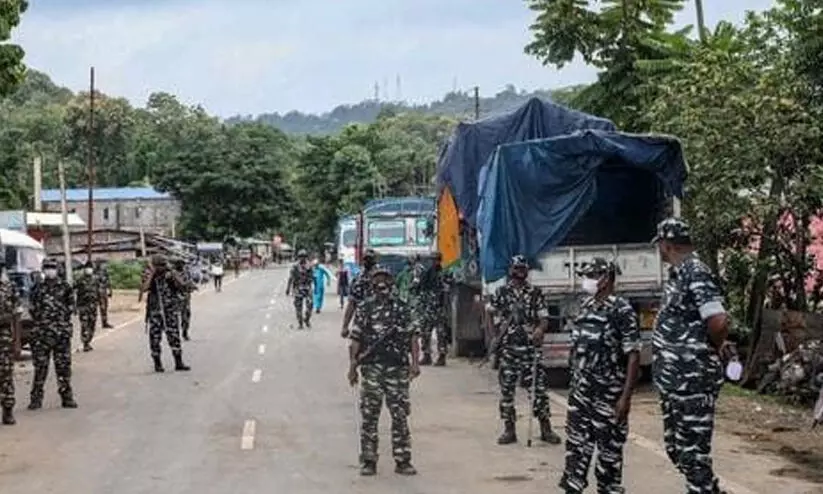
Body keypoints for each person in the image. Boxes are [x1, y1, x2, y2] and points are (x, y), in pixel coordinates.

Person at [652, 217, 732, 494]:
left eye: (660, 244)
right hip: (675, 382)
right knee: (678, 450)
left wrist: (709, 349)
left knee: (693, 455)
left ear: (667, 244)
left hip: (692, 381)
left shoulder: (696, 272)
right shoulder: (678, 274)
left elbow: (718, 321)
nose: (659, 250)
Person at [559, 258, 641, 494]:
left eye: (591, 276)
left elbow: (633, 355)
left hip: (609, 396)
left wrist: (625, 398)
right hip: (580, 395)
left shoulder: (621, 310)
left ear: (605, 279)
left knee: (609, 459)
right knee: (575, 453)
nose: (586, 281)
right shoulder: (584, 306)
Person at [347, 265, 420, 476]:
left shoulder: (402, 308)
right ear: (372, 283)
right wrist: (352, 366)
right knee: (370, 416)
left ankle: (403, 459)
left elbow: (413, 337)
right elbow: (355, 338)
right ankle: (369, 460)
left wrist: (415, 363)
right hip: (371, 369)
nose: (382, 283)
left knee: (400, 415)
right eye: (378, 279)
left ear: (391, 282)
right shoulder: (365, 308)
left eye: (385, 278)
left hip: (397, 368)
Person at [486, 255, 561, 445]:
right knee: (507, 390)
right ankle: (509, 429)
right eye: (517, 268)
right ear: (511, 270)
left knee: (538, 389)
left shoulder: (535, 293)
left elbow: (544, 318)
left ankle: (545, 428)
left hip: (530, 349)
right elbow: (490, 312)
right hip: (509, 348)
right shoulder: (502, 292)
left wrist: (540, 330)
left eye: (523, 269)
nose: (520, 272)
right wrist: (494, 335)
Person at [29, 258, 77, 410]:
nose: (50, 270)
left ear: (57, 270)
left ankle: (67, 398)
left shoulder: (65, 287)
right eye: (47, 267)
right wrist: (42, 320)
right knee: (40, 368)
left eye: (52, 267)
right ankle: (36, 399)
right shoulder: (37, 288)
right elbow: (32, 308)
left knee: (63, 368)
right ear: (43, 270)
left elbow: (71, 307)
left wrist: (60, 317)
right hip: (42, 334)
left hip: (61, 334)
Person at [141, 254, 190, 372]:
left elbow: (182, 285)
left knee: (174, 335)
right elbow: (144, 288)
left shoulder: (170, 274)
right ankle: (157, 363)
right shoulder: (148, 274)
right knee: (155, 337)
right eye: (159, 266)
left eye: (163, 265)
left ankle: (178, 362)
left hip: (170, 310)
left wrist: (172, 273)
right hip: (155, 311)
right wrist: (152, 274)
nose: (161, 268)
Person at [411, 252, 453, 366]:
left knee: (441, 333)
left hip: (439, 308)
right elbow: (419, 288)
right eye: (432, 260)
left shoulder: (444, 274)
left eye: (436, 260)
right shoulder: (427, 273)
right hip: (428, 308)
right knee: (425, 331)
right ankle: (427, 355)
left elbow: (448, 289)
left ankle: (442, 356)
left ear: (439, 260)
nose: (434, 262)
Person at [340, 249, 378, 338]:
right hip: (361, 323)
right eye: (366, 259)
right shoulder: (358, 279)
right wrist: (345, 326)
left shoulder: (382, 277)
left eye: (370, 259)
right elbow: (351, 304)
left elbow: (393, 301)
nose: (367, 262)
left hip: (381, 323)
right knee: (355, 345)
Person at [0, 258, 20, 424]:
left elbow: (17, 315)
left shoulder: (9, 287)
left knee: (6, 374)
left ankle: (8, 410)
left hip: (4, 338)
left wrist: (17, 341)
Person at [75, 260, 100, 352]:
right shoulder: (80, 280)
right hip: (83, 306)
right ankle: (85, 343)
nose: (88, 270)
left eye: (90, 268)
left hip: (93, 306)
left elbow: (98, 291)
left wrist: (100, 302)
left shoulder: (96, 279)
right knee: (84, 325)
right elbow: (72, 290)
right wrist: (75, 306)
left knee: (92, 324)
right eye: (87, 268)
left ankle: (88, 341)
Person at [286, 249, 314, 329]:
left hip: (307, 288)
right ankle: (300, 323)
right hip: (298, 288)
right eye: (301, 256)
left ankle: (307, 319)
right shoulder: (295, 266)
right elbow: (291, 278)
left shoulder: (309, 266)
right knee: (298, 307)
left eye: (304, 256)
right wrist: (288, 288)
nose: (302, 258)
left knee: (310, 305)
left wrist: (314, 285)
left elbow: (312, 276)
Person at [173, 258, 196, 341]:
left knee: (186, 316)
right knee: (174, 317)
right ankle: (175, 334)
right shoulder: (173, 273)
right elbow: (181, 283)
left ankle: (185, 332)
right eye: (181, 264)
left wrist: (192, 286)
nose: (182, 266)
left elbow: (190, 282)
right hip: (175, 298)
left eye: (183, 264)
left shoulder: (186, 273)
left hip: (185, 298)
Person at [95, 260, 114, 329]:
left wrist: (110, 290)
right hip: (97, 292)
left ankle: (104, 322)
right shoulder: (94, 272)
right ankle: (91, 324)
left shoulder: (104, 271)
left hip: (103, 291)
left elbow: (108, 281)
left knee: (104, 307)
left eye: (99, 263)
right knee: (95, 308)